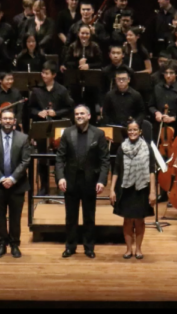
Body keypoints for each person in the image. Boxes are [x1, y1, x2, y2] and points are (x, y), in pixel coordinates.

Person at [56, 104, 110, 258]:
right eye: (77, 114)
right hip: (71, 180)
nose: (79, 116)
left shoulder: (98, 134)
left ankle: (89, 247)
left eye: (82, 114)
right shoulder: (67, 132)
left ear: (89, 116)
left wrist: (101, 180)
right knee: (70, 216)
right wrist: (60, 177)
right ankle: (70, 246)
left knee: (89, 216)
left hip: (90, 181)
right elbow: (60, 157)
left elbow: (105, 160)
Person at [0, 108, 32, 257]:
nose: (8, 121)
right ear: (0, 121)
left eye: (10, 118)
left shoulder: (23, 138)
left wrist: (12, 178)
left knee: (16, 218)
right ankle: (1, 244)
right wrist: (2, 178)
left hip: (17, 184)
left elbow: (26, 160)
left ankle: (15, 244)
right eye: (5, 118)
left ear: (14, 121)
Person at [109, 119, 154, 260]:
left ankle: (139, 249)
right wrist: (111, 189)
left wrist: (152, 191)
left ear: (140, 131)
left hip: (142, 188)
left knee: (139, 220)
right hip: (125, 188)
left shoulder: (147, 147)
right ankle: (129, 249)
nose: (132, 132)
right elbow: (116, 170)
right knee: (128, 220)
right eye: (130, 130)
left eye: (135, 130)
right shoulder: (122, 148)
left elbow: (152, 171)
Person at [30, 63, 74, 192]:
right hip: (42, 127)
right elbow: (30, 108)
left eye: (47, 73)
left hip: (58, 128)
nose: (44, 75)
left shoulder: (62, 90)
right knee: (42, 157)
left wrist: (57, 113)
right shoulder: (36, 90)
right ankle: (44, 186)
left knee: (60, 157)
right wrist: (38, 113)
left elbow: (69, 108)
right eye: (42, 72)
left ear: (54, 75)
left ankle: (60, 184)